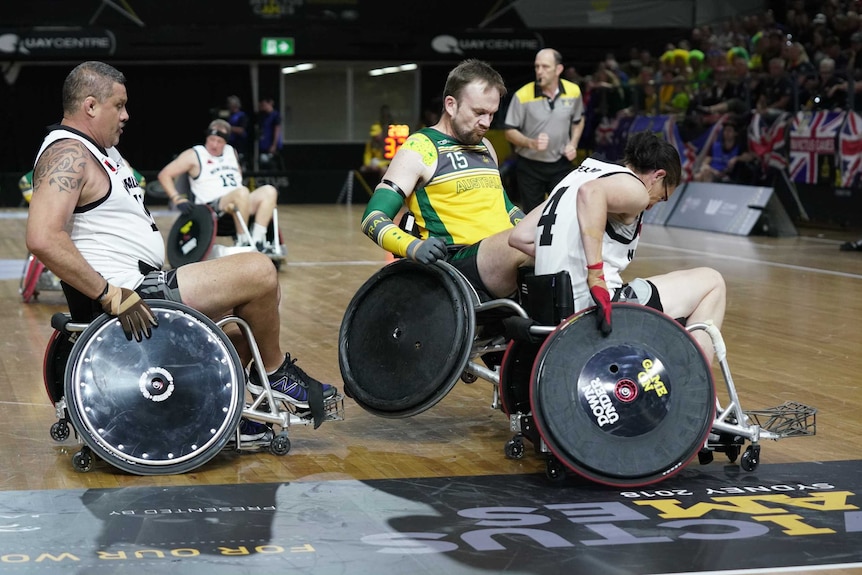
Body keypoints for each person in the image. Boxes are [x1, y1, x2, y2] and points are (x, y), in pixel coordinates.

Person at [25, 61, 335, 436]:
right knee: (258, 270)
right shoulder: (68, 153)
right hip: (130, 296)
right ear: (90, 106)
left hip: (141, 285)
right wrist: (108, 294)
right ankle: (273, 373)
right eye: (119, 106)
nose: (126, 115)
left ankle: (231, 411)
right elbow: (43, 237)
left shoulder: (98, 151)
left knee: (249, 318)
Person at [509, 131, 726, 364]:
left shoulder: (577, 176)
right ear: (658, 176)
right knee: (712, 282)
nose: (651, 206)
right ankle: (695, 383)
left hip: (550, 306)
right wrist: (595, 274)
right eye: (661, 197)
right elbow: (591, 193)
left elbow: (520, 236)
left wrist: (567, 252)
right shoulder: (635, 189)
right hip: (596, 309)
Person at [360, 59, 530, 300]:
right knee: (526, 246)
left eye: (492, 114)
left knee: (560, 218)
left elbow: (506, 208)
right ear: (451, 105)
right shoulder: (420, 148)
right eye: (479, 112)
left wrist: (536, 224)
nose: (487, 123)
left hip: (499, 254)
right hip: (458, 264)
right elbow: (372, 218)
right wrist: (412, 246)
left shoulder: (486, 147)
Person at [157, 118, 280, 253]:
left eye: (219, 141)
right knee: (242, 192)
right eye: (211, 139)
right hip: (212, 207)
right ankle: (243, 240)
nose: (214, 145)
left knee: (269, 190)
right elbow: (164, 174)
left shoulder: (231, 152)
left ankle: (257, 240)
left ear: (226, 142)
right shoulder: (194, 154)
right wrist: (177, 198)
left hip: (239, 202)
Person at [504, 48, 585, 213]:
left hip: (560, 163)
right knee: (532, 216)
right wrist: (531, 143)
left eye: (545, 67)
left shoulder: (573, 91)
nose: (539, 71)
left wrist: (573, 143)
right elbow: (509, 131)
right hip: (530, 166)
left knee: (563, 212)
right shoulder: (522, 95)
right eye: (537, 67)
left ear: (559, 69)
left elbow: (578, 120)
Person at [359, 104, 395, 185]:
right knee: (363, 169)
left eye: (377, 134)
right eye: (373, 135)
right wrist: (368, 165)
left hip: (384, 164)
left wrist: (379, 165)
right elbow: (367, 156)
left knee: (384, 169)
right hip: (374, 164)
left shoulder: (388, 142)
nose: (375, 137)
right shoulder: (370, 143)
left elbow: (389, 159)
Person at [258, 96, 283, 170]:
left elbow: (277, 130)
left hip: (271, 145)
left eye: (264, 105)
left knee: (271, 164)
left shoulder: (275, 115)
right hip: (263, 144)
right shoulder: (263, 116)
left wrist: (274, 145)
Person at [225, 95, 249, 166]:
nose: (228, 106)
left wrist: (228, 128)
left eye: (229, 104)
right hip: (230, 143)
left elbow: (242, 130)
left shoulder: (242, 116)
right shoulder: (230, 115)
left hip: (240, 144)